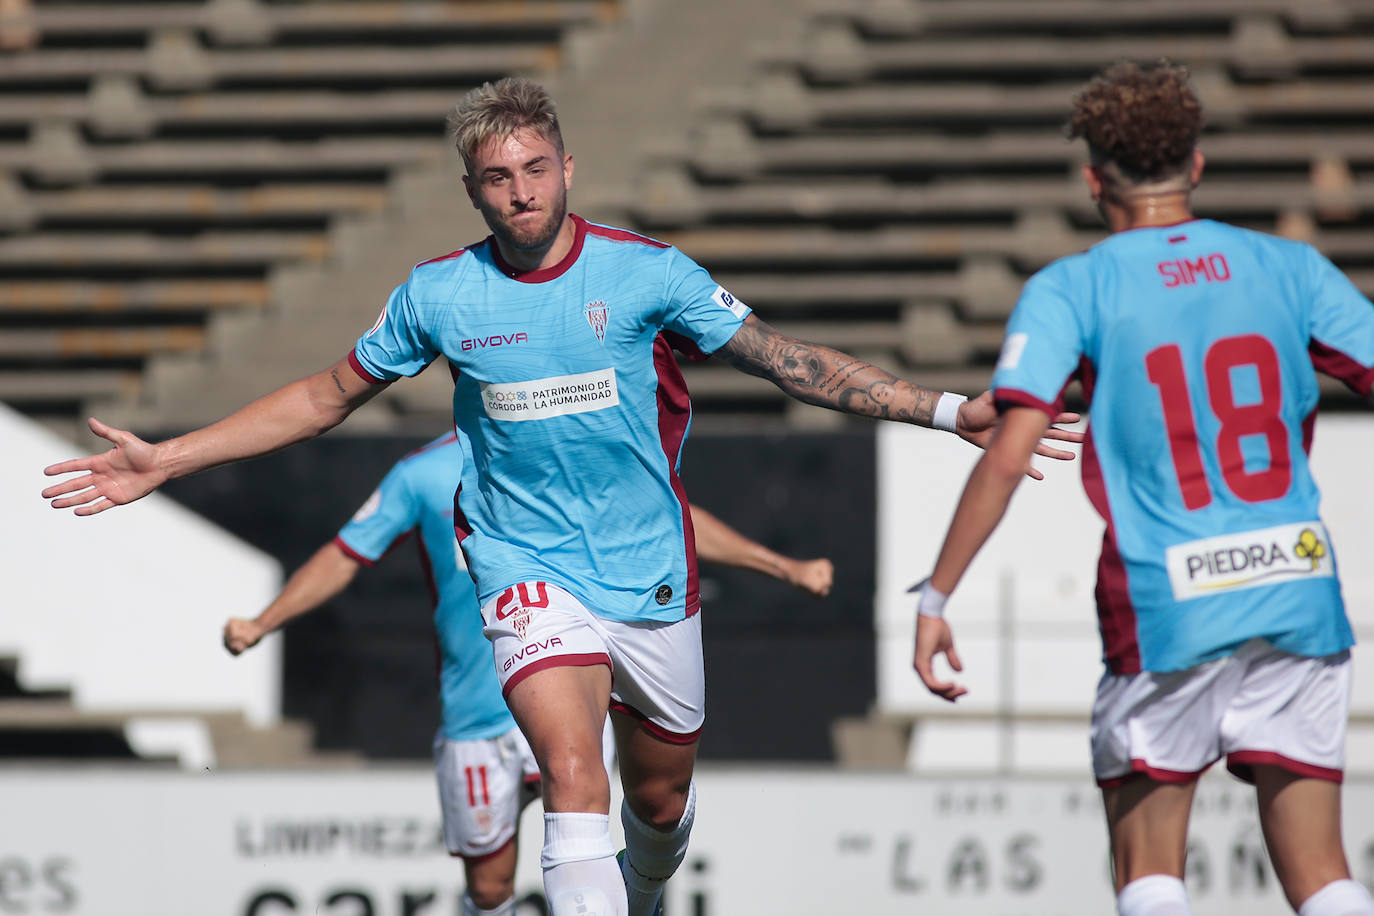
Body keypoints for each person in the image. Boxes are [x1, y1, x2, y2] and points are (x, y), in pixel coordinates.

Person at [42, 77, 1081, 916]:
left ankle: (646, 866)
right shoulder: (438, 294)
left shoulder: (645, 276)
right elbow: (324, 395)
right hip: (524, 565)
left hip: (651, 573)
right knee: (571, 770)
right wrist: (170, 458)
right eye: (496, 177)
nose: (521, 191)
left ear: (568, 167)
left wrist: (949, 410)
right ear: (473, 192)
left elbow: (785, 358)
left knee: (660, 801)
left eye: (537, 168)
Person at [911, 61, 1374, 916]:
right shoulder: (1291, 267)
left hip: (1168, 604)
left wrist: (937, 595)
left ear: (1093, 179)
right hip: (1298, 589)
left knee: (1151, 875)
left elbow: (1011, 454)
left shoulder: (1073, 287)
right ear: (1195, 166)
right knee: (1325, 880)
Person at [221, 431, 834, 916]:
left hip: (567, 681)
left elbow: (668, 516)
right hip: (474, 715)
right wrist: (263, 621)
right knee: (489, 892)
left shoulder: (565, 448)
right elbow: (344, 554)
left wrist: (782, 567)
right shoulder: (422, 473)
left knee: (581, 797)